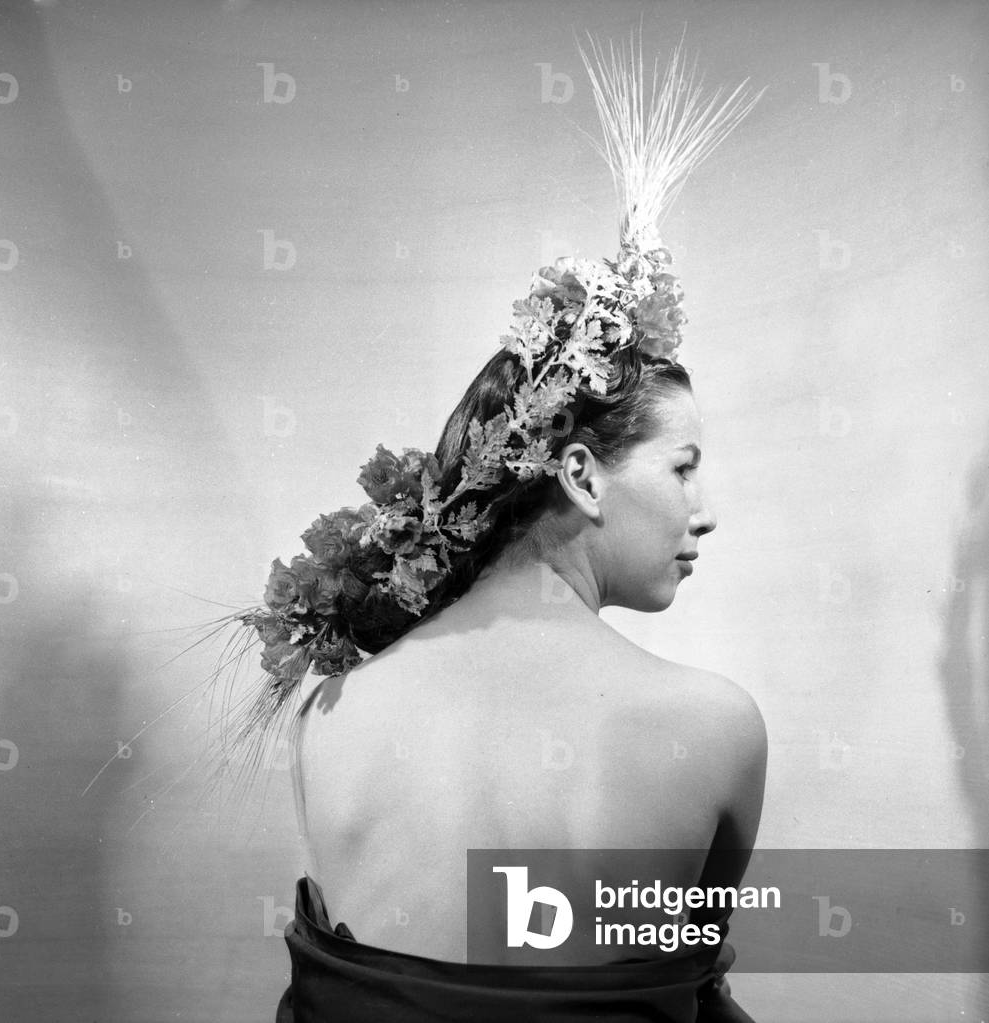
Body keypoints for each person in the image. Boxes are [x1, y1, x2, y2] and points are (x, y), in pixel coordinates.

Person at [222, 30, 768, 1022]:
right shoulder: (715, 730)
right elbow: (693, 994)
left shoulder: (332, 715)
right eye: (683, 468)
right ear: (578, 474)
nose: (707, 511)